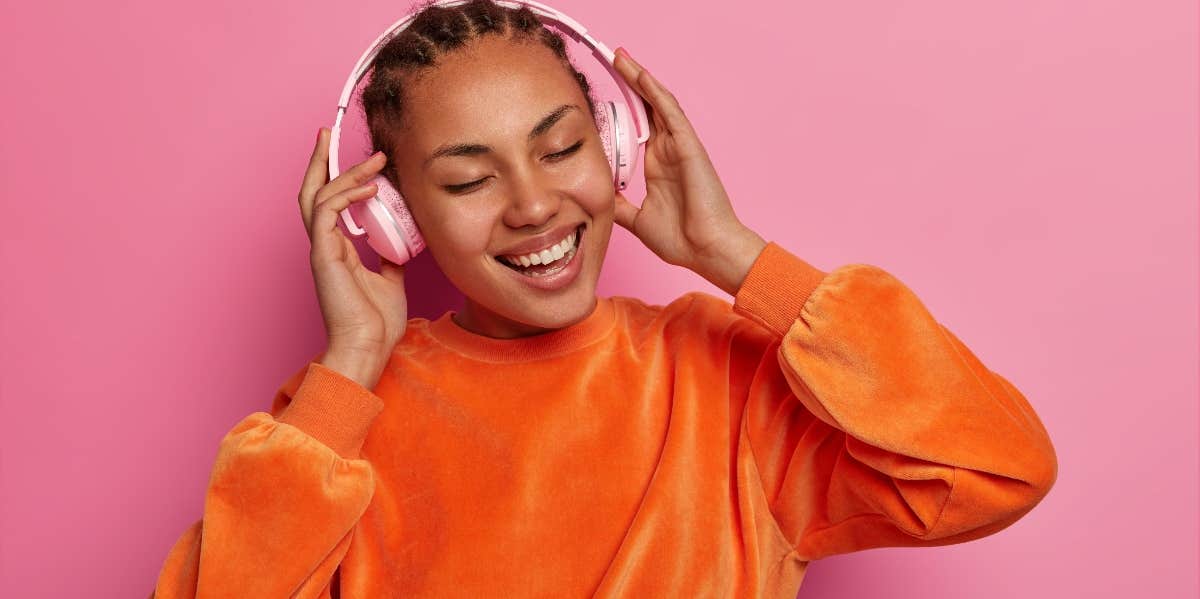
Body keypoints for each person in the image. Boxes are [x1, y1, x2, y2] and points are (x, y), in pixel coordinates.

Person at [150, 1, 1058, 597]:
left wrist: (737, 257)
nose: (536, 203)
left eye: (560, 149)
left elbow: (996, 467)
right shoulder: (342, 420)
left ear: (616, 144)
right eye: (469, 181)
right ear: (396, 217)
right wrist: (349, 365)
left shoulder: (725, 377)